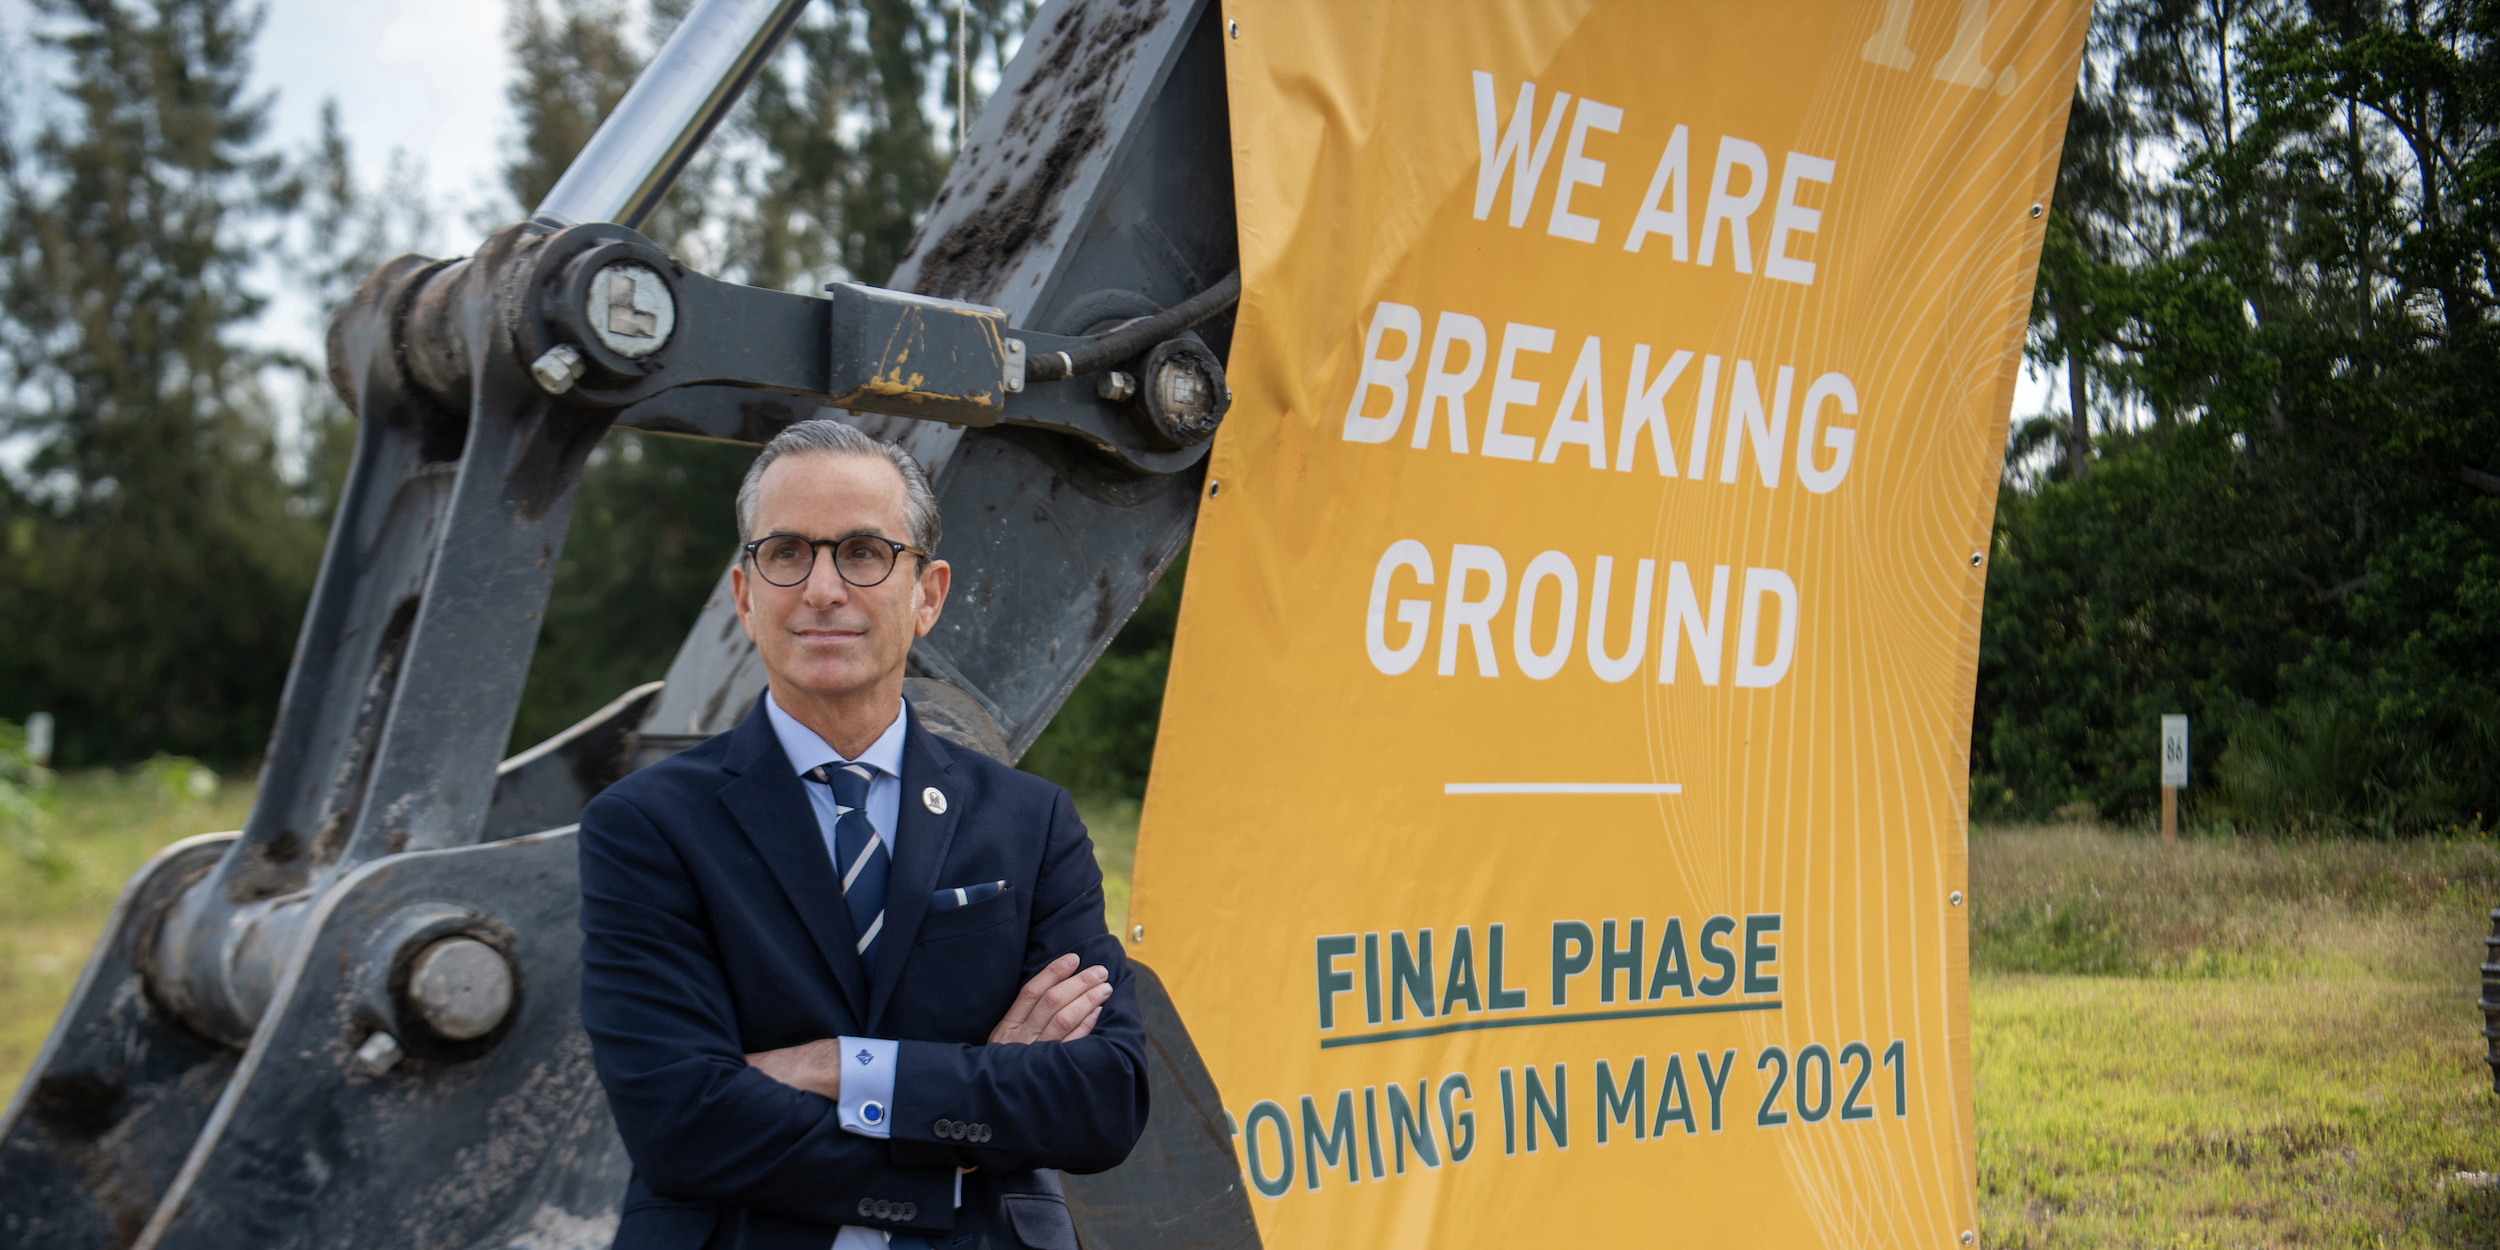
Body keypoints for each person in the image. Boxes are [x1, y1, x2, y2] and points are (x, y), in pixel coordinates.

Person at [578, 419, 1146, 1250]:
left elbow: (1101, 1099)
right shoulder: (646, 827)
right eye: (786, 553)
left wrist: (839, 1067)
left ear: (928, 595)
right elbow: (680, 1119)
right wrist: (958, 1142)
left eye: (863, 552)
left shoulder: (1030, 823)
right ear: (744, 595)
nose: (821, 588)